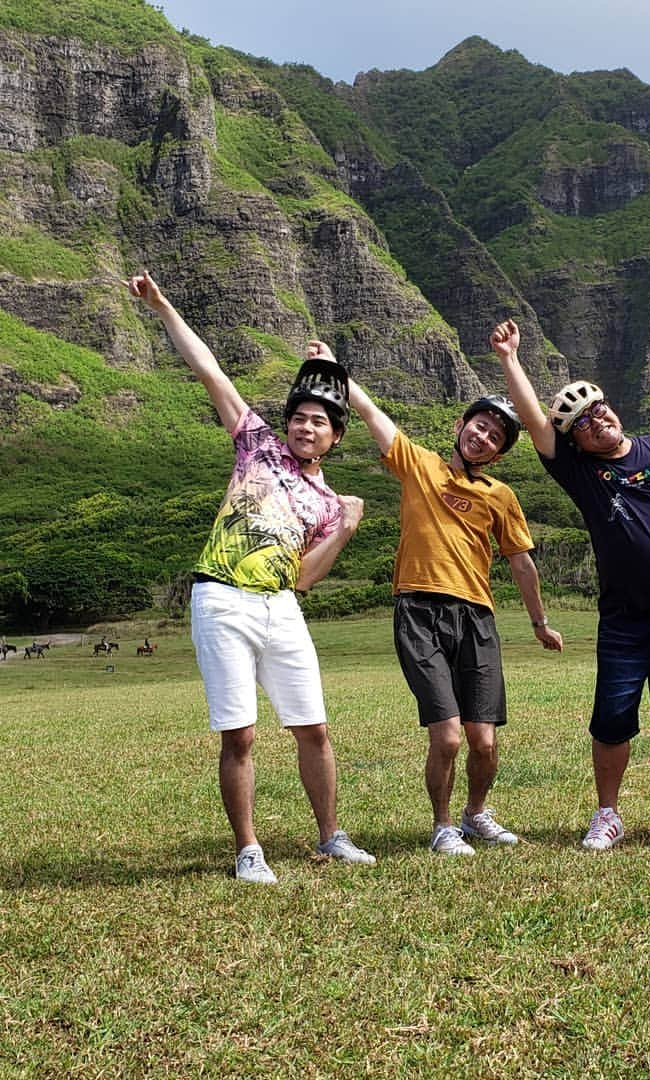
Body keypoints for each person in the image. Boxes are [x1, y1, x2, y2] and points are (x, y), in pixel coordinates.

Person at [129, 271, 375, 883]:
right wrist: (163, 307)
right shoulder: (256, 444)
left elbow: (305, 581)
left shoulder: (325, 503)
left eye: (320, 422)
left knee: (313, 728)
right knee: (240, 735)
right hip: (221, 598)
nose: (305, 426)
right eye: (300, 417)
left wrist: (344, 527)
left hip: (279, 607)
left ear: (335, 437)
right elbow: (210, 370)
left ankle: (330, 835)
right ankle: (248, 848)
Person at [309, 339, 564, 856]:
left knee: (484, 740)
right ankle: (443, 825)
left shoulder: (500, 496)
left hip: (477, 617)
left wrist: (539, 623)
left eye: (495, 436)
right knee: (447, 736)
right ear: (459, 427)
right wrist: (336, 369)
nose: (484, 436)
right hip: (419, 611)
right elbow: (372, 414)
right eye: (479, 425)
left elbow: (520, 562)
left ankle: (476, 814)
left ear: (500, 451)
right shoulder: (419, 465)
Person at [490, 319, 650, 851]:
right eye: (584, 424)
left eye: (600, 411)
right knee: (613, 718)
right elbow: (534, 422)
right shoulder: (580, 473)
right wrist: (510, 359)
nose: (598, 423)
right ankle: (607, 814)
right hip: (625, 617)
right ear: (575, 441)